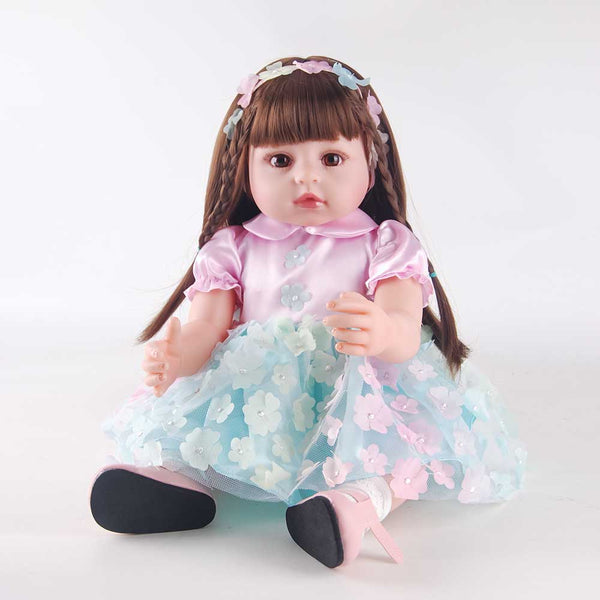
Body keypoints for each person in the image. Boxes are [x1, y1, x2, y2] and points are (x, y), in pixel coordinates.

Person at [89, 56, 527, 569]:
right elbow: (207, 324)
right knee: (198, 431)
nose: (306, 177)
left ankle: (356, 503)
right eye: (280, 160)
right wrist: (179, 356)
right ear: (244, 167)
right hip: (256, 389)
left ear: (371, 163)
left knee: (401, 449)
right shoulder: (231, 247)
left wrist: (383, 331)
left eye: (332, 158)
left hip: (355, 389)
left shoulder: (386, 244)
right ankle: (175, 484)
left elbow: (405, 327)